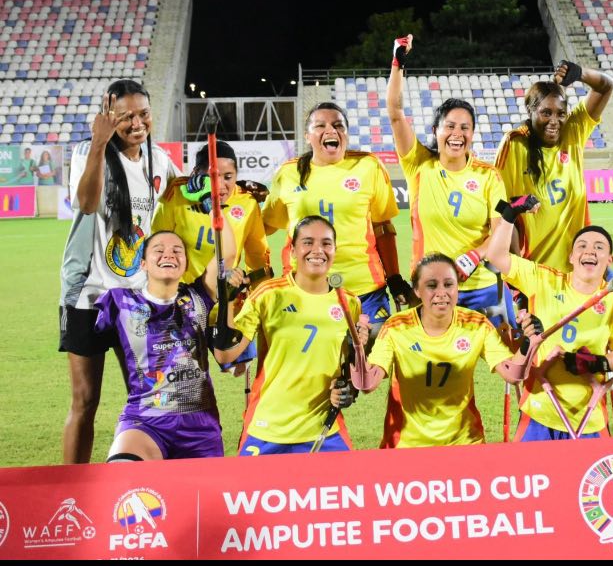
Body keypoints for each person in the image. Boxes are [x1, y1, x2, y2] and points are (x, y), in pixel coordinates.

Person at [60, 79, 179, 464]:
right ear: (109, 116)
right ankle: (71, 490)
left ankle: (147, 476)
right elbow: (88, 202)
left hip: (138, 298)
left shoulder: (158, 159)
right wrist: (98, 142)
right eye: (125, 117)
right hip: (89, 294)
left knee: (148, 397)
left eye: (143, 114)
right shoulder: (86, 152)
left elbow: (182, 201)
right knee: (85, 399)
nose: (137, 123)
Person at [213, 216, 370, 455]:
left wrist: (348, 389)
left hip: (324, 430)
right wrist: (229, 301)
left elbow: (350, 371)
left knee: (353, 489)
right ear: (293, 250)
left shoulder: (349, 302)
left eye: (326, 244)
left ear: (335, 250)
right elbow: (225, 356)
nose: (318, 250)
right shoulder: (268, 294)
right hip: (268, 429)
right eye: (308, 242)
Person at [386, 35, 512, 327]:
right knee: (431, 365)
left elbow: (500, 232)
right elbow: (394, 114)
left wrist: (475, 255)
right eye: (450, 126)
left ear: (473, 134)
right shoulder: (419, 164)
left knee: (514, 357)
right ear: (436, 130)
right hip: (431, 286)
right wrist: (397, 63)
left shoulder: (488, 176)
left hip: (481, 287)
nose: (457, 133)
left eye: (465, 127)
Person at [350, 253, 538, 448]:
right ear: (416, 290)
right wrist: (358, 346)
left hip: (465, 444)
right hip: (406, 446)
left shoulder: (476, 323)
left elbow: (513, 374)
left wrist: (529, 341)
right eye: (432, 285)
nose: (442, 293)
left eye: (449, 284)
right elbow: (368, 383)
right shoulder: (396, 327)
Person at [483, 199, 613, 441]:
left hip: (589, 417)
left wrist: (597, 362)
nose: (590, 250)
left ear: (610, 260)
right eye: (581, 245)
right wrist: (509, 215)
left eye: (599, 247)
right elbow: (496, 256)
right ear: (572, 256)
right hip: (539, 412)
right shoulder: (544, 280)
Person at [263, 101, 408, 336]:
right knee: (316, 368)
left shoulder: (368, 166)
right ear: (308, 136)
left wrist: (394, 277)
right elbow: (264, 228)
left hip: (365, 289)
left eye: (338, 125)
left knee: (371, 365)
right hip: (304, 289)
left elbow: (383, 227)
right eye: (320, 126)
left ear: (347, 134)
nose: (331, 131)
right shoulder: (289, 173)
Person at [97, 228, 242, 462]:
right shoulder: (118, 300)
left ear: (185, 264)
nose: (169, 255)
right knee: (122, 473)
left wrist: (216, 202)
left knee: (203, 497)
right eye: (159, 250)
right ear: (143, 263)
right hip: (145, 421)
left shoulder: (199, 296)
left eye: (177, 251)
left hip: (200, 425)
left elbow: (227, 255)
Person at [495, 59, 613, 271]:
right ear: (530, 111)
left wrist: (579, 73)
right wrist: (518, 271)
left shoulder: (573, 131)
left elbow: (606, 86)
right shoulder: (515, 144)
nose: (554, 121)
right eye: (546, 113)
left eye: (560, 113)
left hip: (580, 269)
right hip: (537, 272)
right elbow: (502, 210)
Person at [153, 140, 270, 287]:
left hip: (226, 301)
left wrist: (257, 296)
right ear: (196, 173)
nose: (220, 186)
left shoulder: (248, 202)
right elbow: (155, 246)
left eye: (228, 177)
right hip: (183, 300)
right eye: (212, 177)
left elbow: (257, 258)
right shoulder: (176, 194)